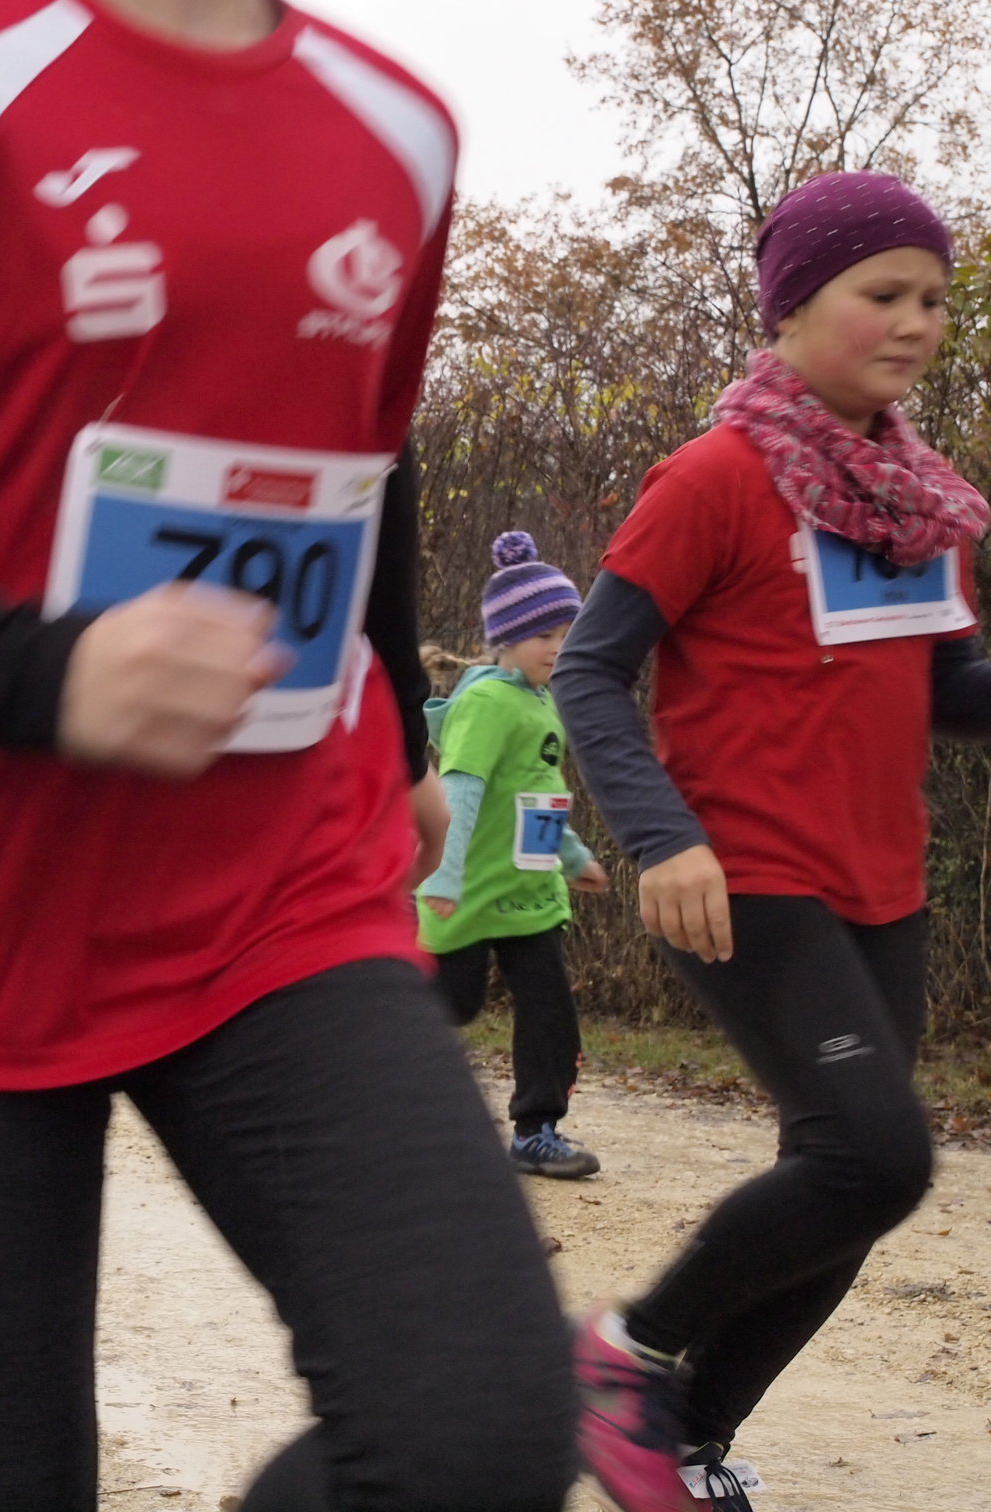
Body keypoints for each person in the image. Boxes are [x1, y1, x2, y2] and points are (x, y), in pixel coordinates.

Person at [0, 4, 577, 1508]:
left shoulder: (404, 127)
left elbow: (362, 459)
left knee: (472, 1434)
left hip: (283, 888)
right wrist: (57, 674)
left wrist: (399, 727)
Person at [553, 171, 991, 1512]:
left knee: (853, 1182)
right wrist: (663, 839)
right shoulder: (714, 478)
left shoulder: (918, 504)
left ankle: (683, 1438)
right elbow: (590, 672)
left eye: (935, 299)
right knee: (875, 1156)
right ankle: (620, 1356)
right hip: (742, 876)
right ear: (792, 306)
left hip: (881, 883)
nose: (916, 322)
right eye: (883, 293)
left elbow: (950, 689)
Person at [417, 532, 609, 1179]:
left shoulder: (539, 699)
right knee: (452, 1004)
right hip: (466, 888)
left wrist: (572, 856)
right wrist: (443, 873)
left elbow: (537, 794)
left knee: (551, 1011)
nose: (557, 646)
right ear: (505, 638)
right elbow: (461, 791)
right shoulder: (486, 702)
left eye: (566, 633)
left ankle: (536, 1131)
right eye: (543, 635)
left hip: (527, 892)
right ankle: (370, 1090)